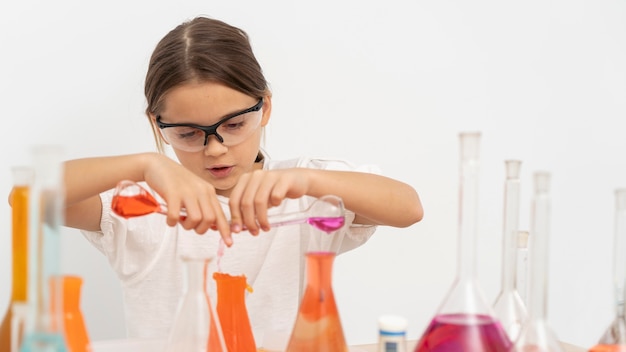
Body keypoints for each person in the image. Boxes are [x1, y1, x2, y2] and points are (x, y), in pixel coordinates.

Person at [57, 16, 423, 345]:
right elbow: (28, 197)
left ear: (264, 107)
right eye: (188, 133)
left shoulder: (305, 193)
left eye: (233, 125)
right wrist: (144, 165)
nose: (215, 150)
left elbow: (408, 208)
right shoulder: (139, 203)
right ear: (158, 125)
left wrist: (308, 180)